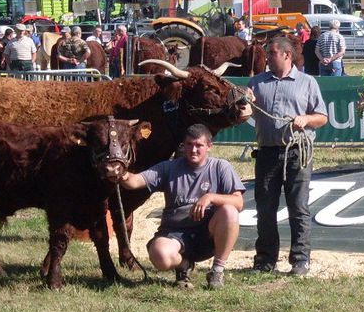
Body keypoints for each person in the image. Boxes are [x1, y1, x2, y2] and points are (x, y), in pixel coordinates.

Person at [116, 124, 245, 289]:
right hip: (175, 233)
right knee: (160, 255)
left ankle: (217, 271)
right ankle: (183, 264)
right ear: (183, 146)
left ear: (209, 146)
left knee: (230, 211)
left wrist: (210, 197)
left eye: (199, 145)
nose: (193, 150)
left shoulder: (221, 167)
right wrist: (120, 171)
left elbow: (238, 202)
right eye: (189, 144)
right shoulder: (169, 167)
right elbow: (134, 182)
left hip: (208, 234)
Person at [247, 37, 328, 275]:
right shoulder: (257, 83)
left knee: (298, 207)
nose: (268, 57)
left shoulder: (307, 82)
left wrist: (306, 119)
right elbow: (243, 114)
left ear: (286, 55)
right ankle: (265, 260)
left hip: (297, 153)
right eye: (267, 53)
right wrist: (244, 103)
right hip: (267, 153)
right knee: (265, 208)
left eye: (272, 53)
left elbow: (322, 117)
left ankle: (300, 260)